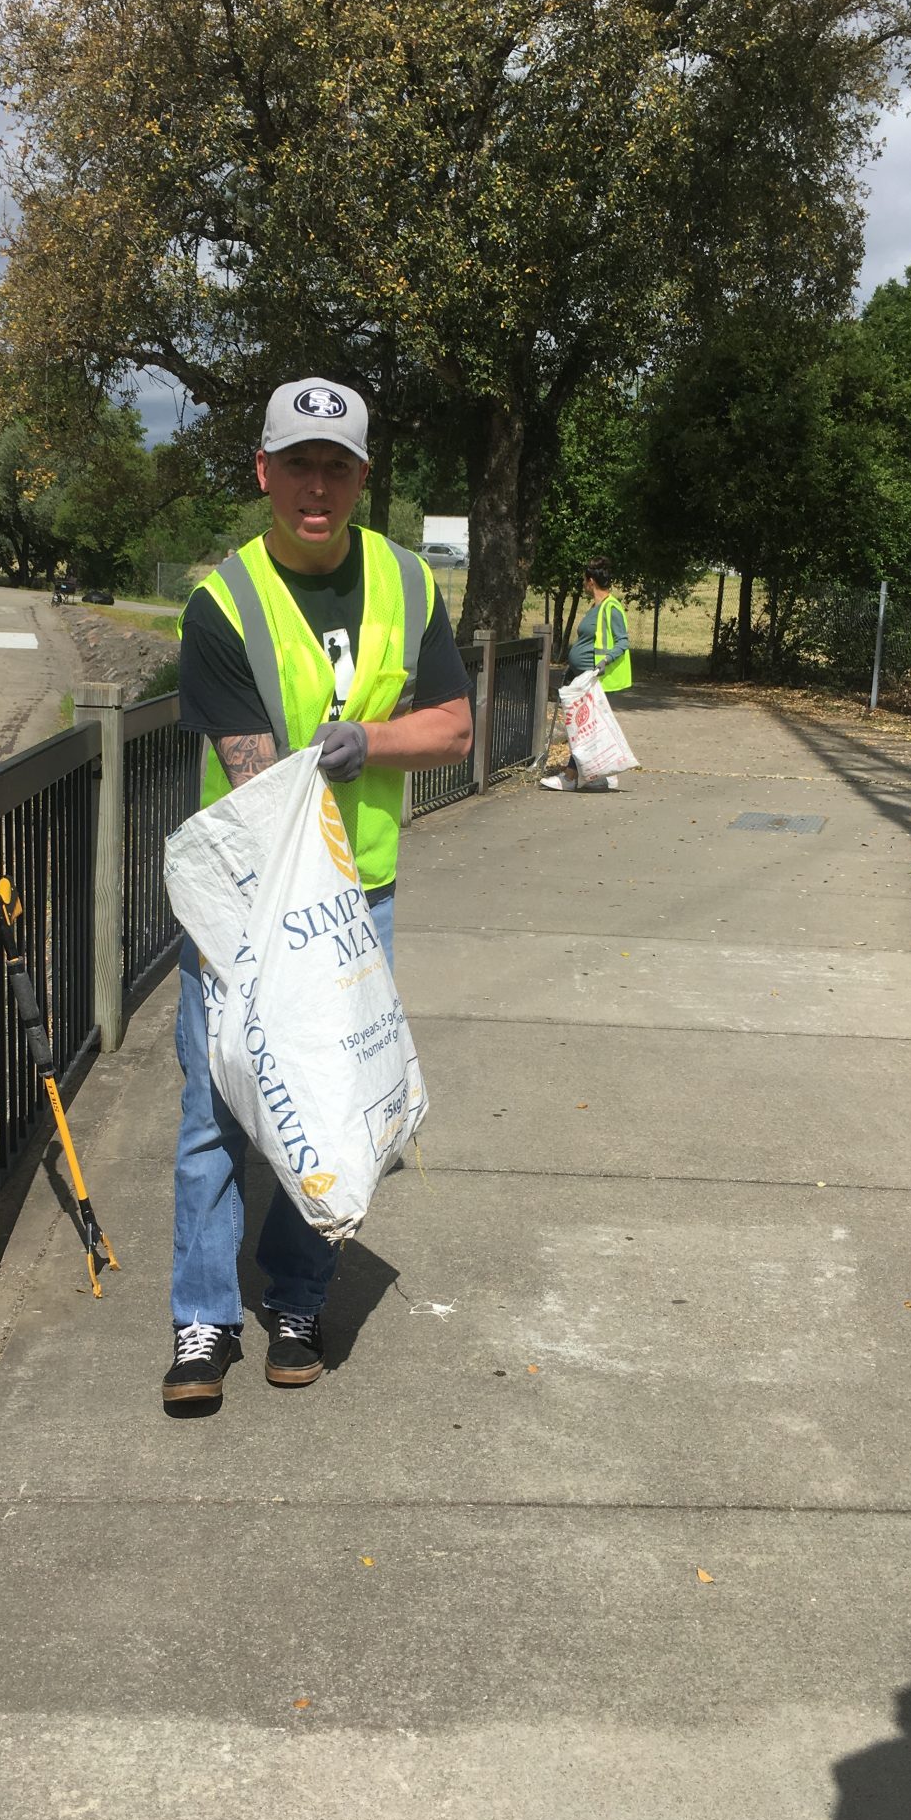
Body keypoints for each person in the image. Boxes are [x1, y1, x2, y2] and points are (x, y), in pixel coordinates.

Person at [166, 376, 474, 1406]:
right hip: (247, 912)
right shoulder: (222, 605)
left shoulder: (409, 583)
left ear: (362, 479)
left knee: (332, 1111)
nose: (316, 484)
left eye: (336, 466)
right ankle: (203, 1321)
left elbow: (455, 729)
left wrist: (363, 743)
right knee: (215, 1115)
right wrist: (321, 763)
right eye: (298, 462)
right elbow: (259, 780)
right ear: (262, 471)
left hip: (362, 902)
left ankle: (299, 1295)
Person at [541, 556, 632, 791]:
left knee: (582, 729)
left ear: (590, 581)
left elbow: (623, 642)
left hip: (595, 679)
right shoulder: (595, 607)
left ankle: (570, 778)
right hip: (582, 677)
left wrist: (605, 661)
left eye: (584, 580)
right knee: (585, 729)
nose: (583, 584)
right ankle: (598, 775)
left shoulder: (612, 608)